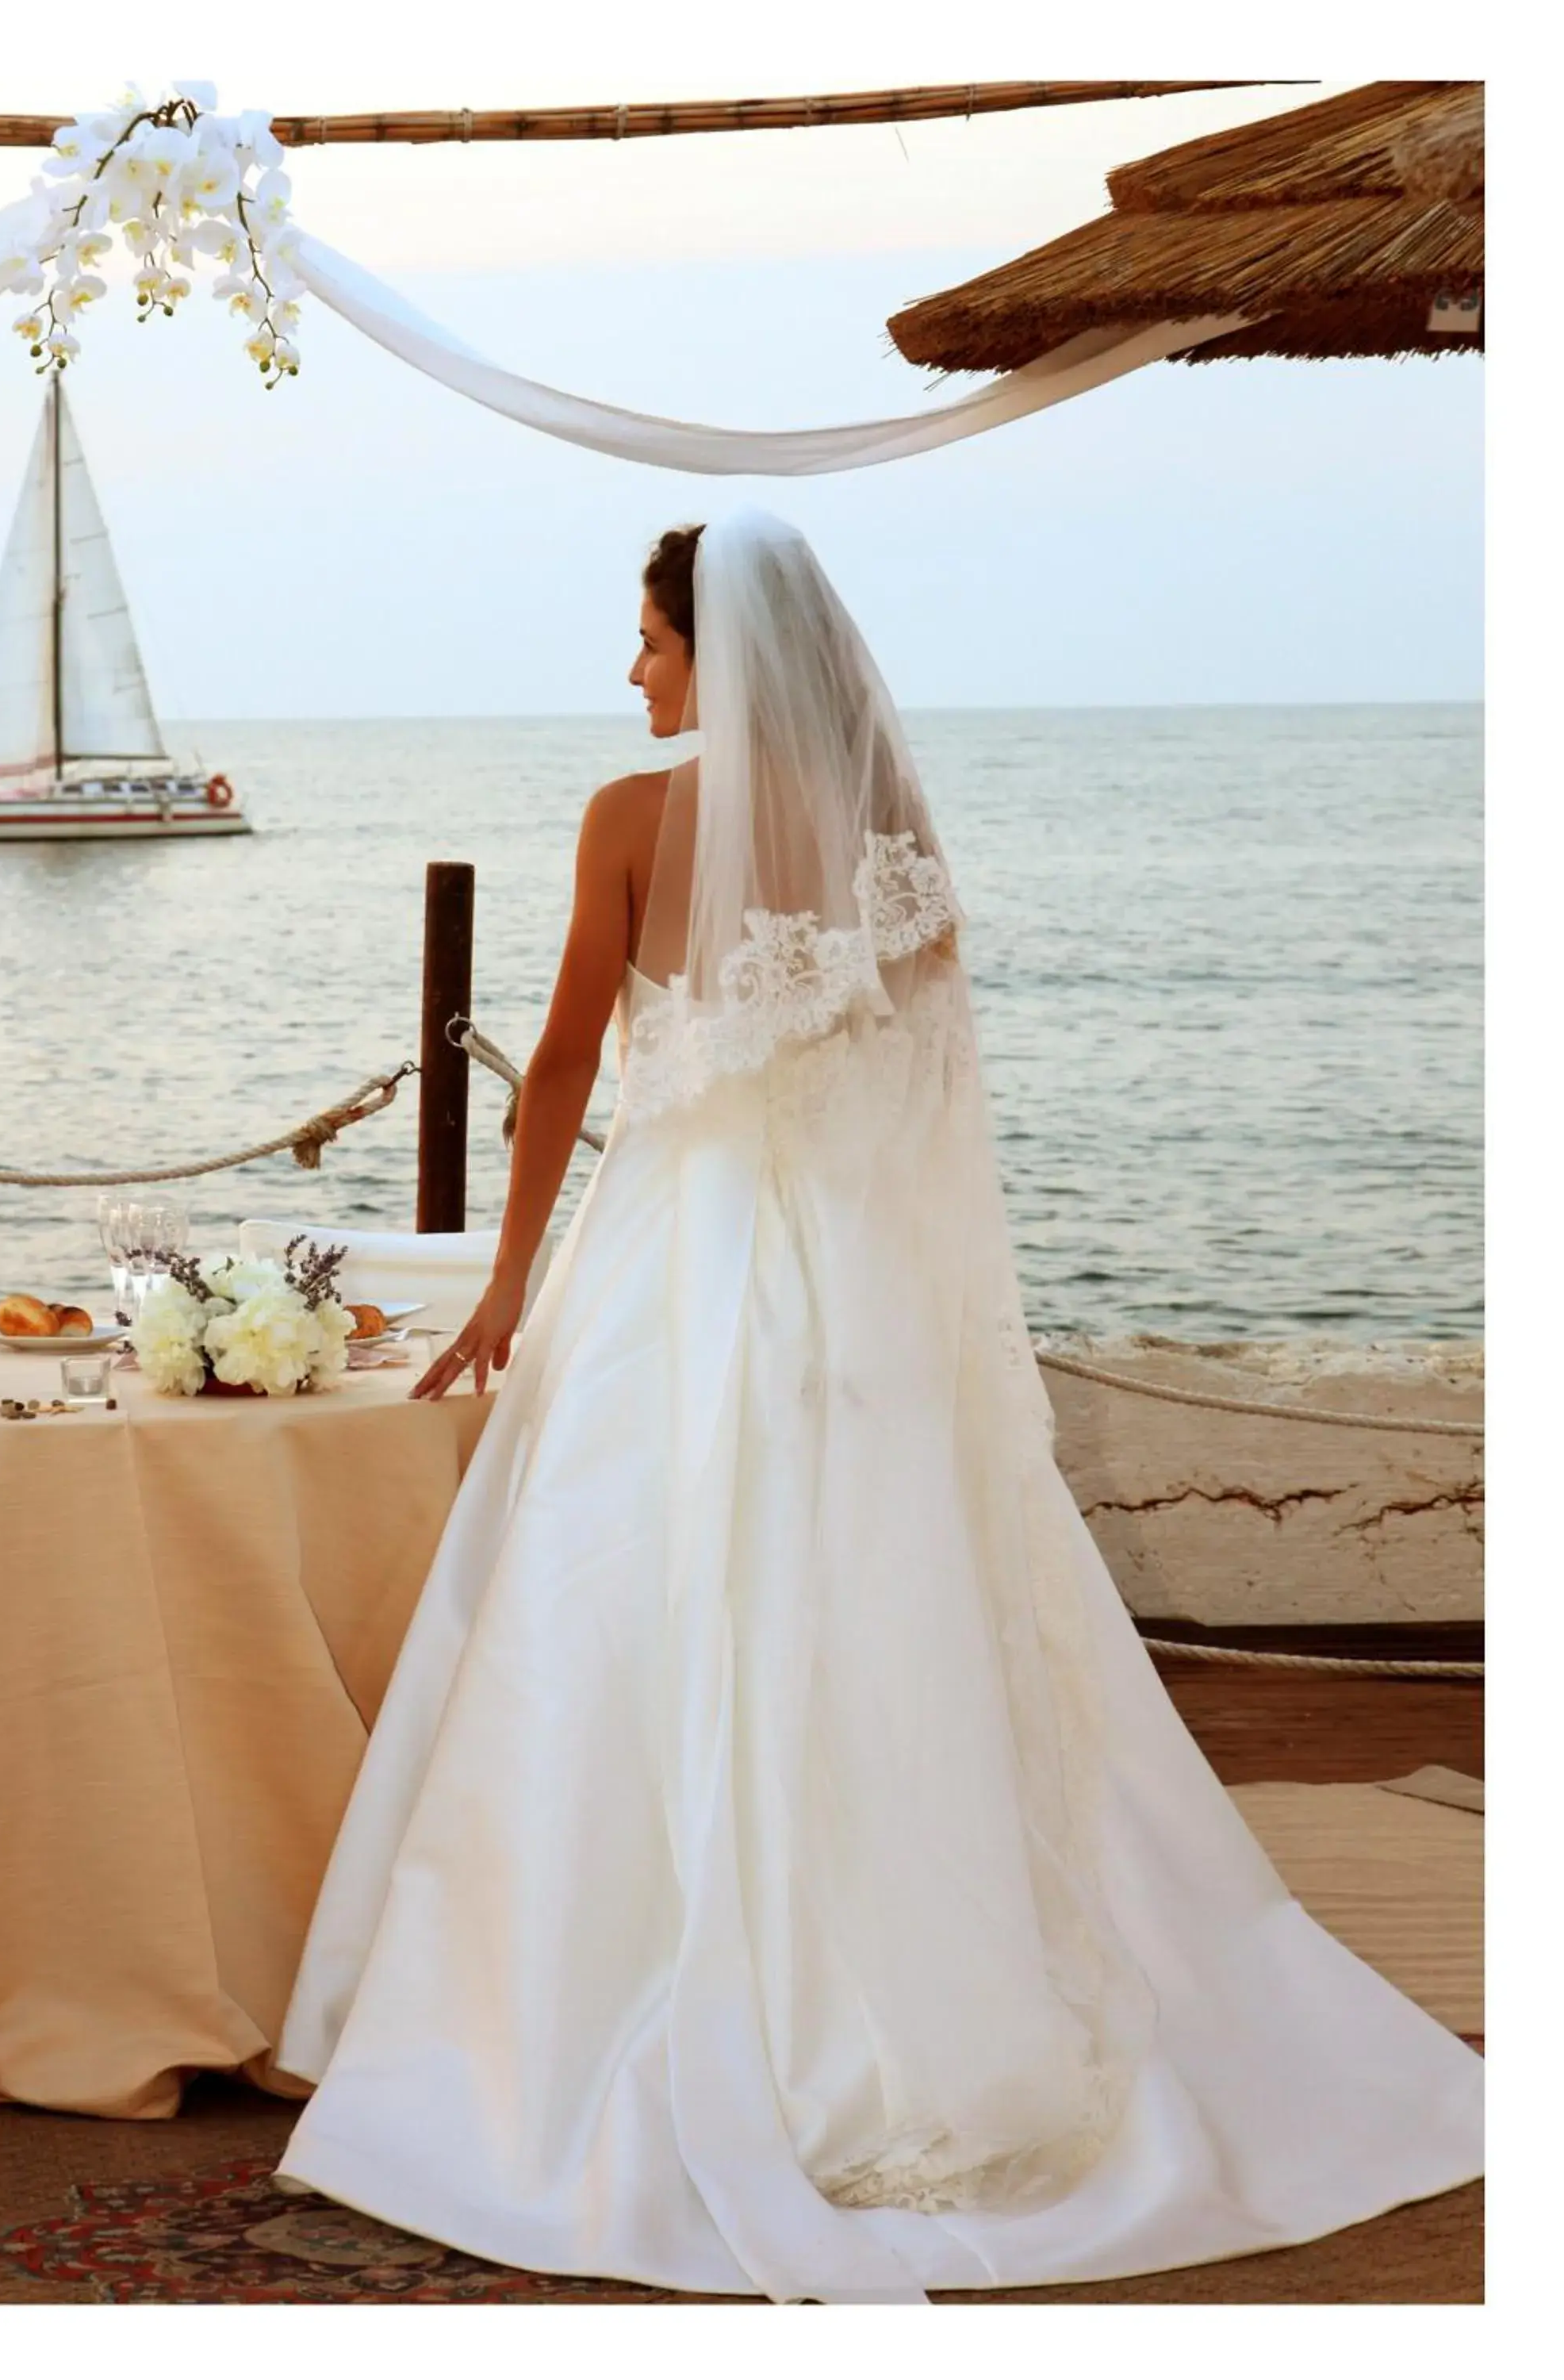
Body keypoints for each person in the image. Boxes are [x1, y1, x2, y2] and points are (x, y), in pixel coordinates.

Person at [270, 509, 1483, 2301]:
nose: (636, 673)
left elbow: (556, 1085)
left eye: (654, 644)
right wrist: (916, 1309)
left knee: (634, 1613)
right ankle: (920, 1991)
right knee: (882, 1625)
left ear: (717, 655)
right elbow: (928, 1101)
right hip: (851, 1284)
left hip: (673, 1271)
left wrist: (509, 1288)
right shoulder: (894, 839)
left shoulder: (628, 820)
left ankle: (569, 2005)